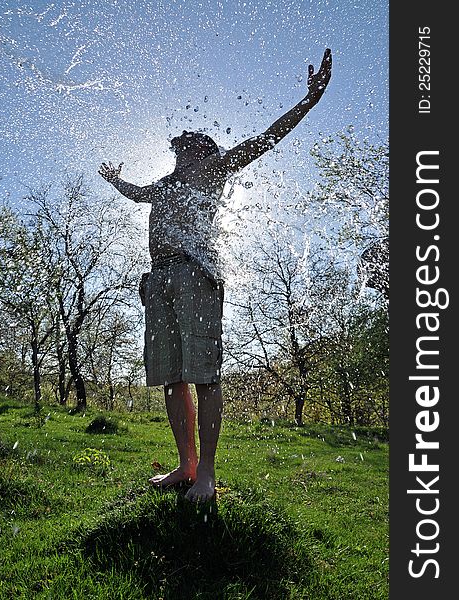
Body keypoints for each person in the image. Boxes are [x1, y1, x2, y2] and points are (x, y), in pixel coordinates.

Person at [99, 48, 332, 502]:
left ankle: (206, 473)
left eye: (185, 151)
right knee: (171, 377)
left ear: (204, 153)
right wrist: (114, 180)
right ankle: (185, 465)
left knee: (203, 375)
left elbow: (265, 140)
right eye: (176, 152)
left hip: (196, 276)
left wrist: (308, 102)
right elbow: (135, 193)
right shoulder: (165, 185)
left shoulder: (213, 169)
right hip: (159, 277)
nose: (177, 159)